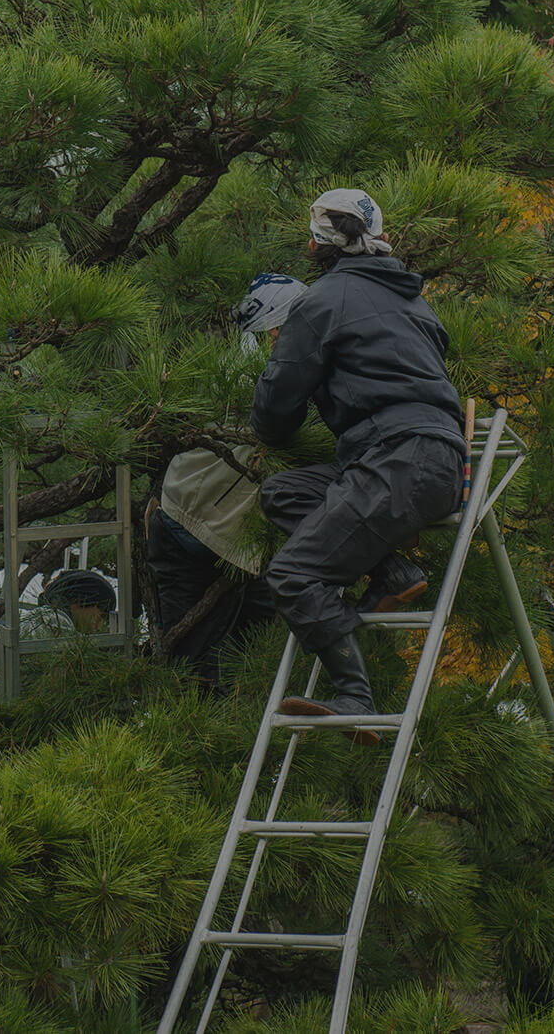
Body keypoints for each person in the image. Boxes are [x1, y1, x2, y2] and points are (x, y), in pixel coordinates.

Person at [251, 188, 467, 740]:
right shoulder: (414, 302)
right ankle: (394, 572)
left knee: (295, 575)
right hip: (435, 458)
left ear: (316, 244)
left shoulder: (321, 302)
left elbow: (276, 413)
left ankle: (354, 694)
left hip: (397, 460)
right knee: (287, 494)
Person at [146, 273, 304, 690]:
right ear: (274, 330)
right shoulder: (260, 376)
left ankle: (238, 744)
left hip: (237, 537)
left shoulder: (253, 365)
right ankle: (199, 745)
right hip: (195, 530)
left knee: (253, 665)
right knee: (201, 673)